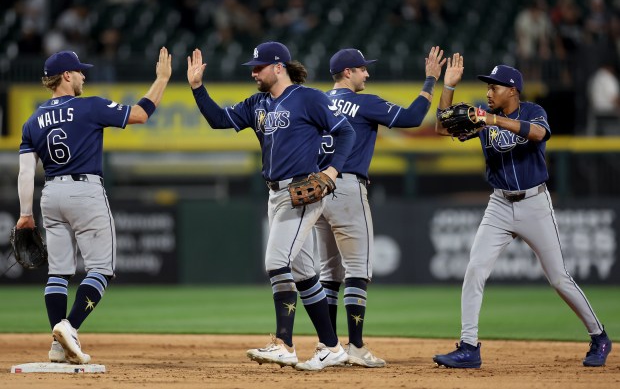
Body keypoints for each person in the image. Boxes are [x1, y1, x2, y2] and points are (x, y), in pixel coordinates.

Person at [432, 56, 612, 368]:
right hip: (499, 205)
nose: (488, 92)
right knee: (475, 270)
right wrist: (448, 86)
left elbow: (538, 134)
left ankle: (599, 336)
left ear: (512, 90)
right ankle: (469, 347)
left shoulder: (532, 111)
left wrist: (491, 120)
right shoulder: (485, 115)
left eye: (494, 86)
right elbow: (441, 128)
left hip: (534, 203)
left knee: (558, 278)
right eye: (487, 87)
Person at [187, 41, 356, 371]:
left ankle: (284, 343)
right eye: (252, 67)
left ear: (279, 67)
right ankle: (333, 348)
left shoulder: (309, 98)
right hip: (275, 195)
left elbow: (346, 132)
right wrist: (197, 88)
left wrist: (331, 171)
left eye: (259, 67)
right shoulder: (257, 103)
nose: (253, 72)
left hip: (302, 192)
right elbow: (220, 120)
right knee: (306, 274)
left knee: (276, 261)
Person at [16, 48, 172, 364]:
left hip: (50, 195)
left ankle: (58, 347)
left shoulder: (32, 120)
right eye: (80, 71)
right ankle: (70, 327)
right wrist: (162, 78)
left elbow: (24, 171)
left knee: (58, 272)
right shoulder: (90, 106)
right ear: (68, 76)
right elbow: (140, 115)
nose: (85, 75)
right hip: (85, 191)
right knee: (101, 269)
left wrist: (25, 215)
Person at [309, 46, 445, 368]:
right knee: (357, 270)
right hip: (346, 187)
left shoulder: (315, 102)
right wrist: (430, 80)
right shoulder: (364, 103)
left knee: (329, 274)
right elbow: (412, 118)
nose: (366, 73)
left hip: (316, 187)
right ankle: (355, 346)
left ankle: (328, 347)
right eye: (361, 69)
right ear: (347, 73)